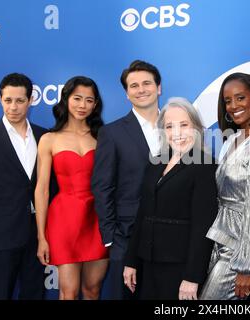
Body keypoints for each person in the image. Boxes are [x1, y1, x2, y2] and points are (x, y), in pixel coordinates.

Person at [123, 97, 218, 300]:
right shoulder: (155, 163)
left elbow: (203, 227)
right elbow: (142, 214)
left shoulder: (205, 166)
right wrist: (131, 260)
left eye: (184, 125)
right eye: (169, 126)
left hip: (180, 269)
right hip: (146, 264)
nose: (177, 133)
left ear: (196, 128)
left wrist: (192, 277)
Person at [91, 60, 162, 299]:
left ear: (159, 87)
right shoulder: (111, 133)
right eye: (134, 85)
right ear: (127, 93)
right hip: (126, 235)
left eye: (146, 83)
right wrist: (110, 238)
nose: (141, 89)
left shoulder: (179, 128)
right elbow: (102, 187)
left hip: (171, 235)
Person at [198, 73, 250, 300]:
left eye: (240, 98)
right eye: (228, 101)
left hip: (239, 250)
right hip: (220, 240)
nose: (233, 106)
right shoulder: (232, 139)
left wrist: (247, 267)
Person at [35, 76, 108, 300]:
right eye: (77, 98)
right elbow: (42, 189)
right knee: (68, 292)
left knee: (93, 290)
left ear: (95, 105)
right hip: (64, 219)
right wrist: (41, 237)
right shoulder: (49, 139)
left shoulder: (103, 137)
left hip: (96, 218)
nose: (82, 105)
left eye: (89, 100)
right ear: (66, 99)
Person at [0, 73, 47, 299]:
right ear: (0, 99)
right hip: (0, 236)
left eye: (19, 100)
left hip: (37, 235)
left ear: (30, 100)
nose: (13, 107)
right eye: (8, 100)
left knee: (34, 294)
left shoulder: (44, 136)